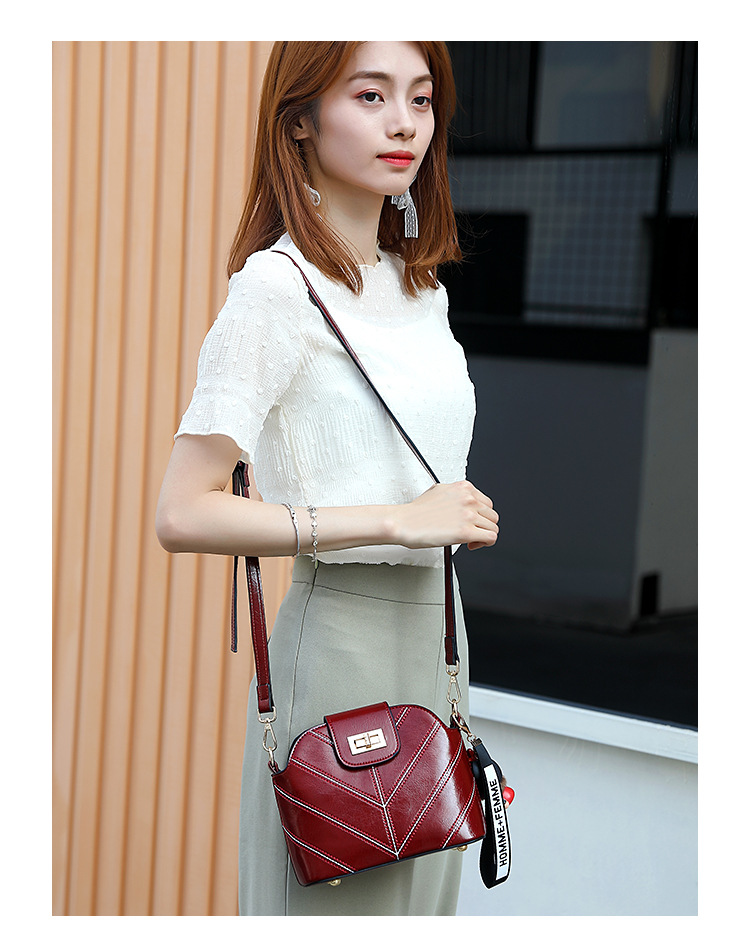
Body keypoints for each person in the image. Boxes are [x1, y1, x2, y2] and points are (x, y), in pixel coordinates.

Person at [156, 40, 500, 917]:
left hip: (440, 637)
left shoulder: (422, 289)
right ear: (301, 118)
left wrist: (440, 521)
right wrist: (395, 519)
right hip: (341, 640)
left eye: (420, 99)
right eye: (371, 95)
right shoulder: (274, 290)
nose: (404, 124)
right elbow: (182, 511)